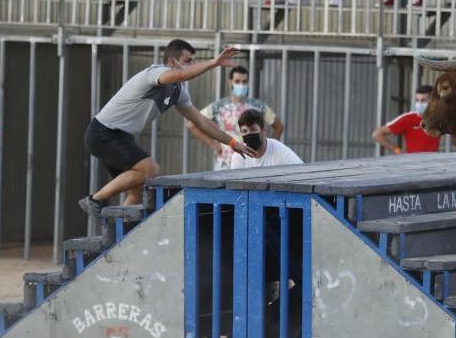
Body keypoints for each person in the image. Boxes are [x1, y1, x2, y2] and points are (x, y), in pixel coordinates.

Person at [80, 41, 258, 221]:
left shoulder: (177, 92)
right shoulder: (154, 73)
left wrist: (233, 143)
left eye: (193, 61)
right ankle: (95, 200)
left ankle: (117, 235)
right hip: (105, 133)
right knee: (150, 169)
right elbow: (183, 74)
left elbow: (201, 122)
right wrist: (214, 62)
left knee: (138, 191)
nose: (192, 65)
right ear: (173, 62)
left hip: (122, 138)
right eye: (188, 61)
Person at [189, 65, 284, 171]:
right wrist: (213, 144)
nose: (241, 85)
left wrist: (267, 148)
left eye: (244, 81)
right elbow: (191, 124)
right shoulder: (218, 106)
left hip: (250, 163)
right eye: (237, 81)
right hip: (225, 164)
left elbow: (279, 126)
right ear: (230, 82)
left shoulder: (259, 106)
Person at [227, 109, 303, 169]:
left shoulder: (279, 151)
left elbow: (301, 171)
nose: (249, 134)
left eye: (253, 129)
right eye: (244, 131)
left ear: (263, 131)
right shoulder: (239, 156)